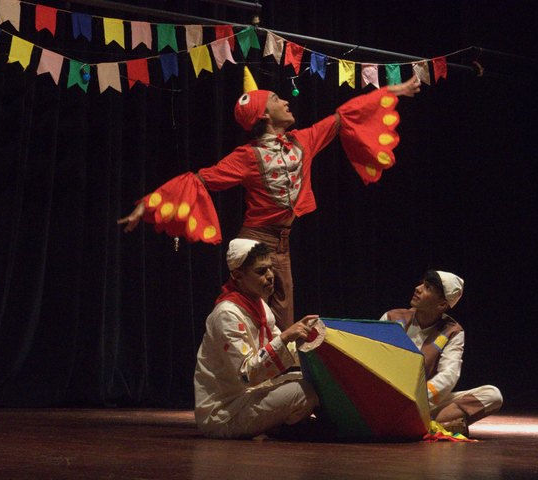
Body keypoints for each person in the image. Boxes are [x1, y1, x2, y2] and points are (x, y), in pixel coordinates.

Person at [118, 71, 421, 331]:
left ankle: (277, 383)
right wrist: (148, 205)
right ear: (263, 114)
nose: (287, 102)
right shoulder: (247, 157)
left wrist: (396, 90)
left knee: (284, 316)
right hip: (254, 241)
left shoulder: (303, 141)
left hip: (282, 244)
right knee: (250, 312)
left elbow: (345, 117)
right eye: (277, 99)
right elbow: (200, 179)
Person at [194, 238, 320, 439]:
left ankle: (278, 425)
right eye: (261, 271)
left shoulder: (260, 307)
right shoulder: (226, 314)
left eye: (270, 269)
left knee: (313, 382)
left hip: (248, 398)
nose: (270, 276)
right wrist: (287, 336)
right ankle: (281, 426)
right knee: (302, 391)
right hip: (225, 413)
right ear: (237, 276)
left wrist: (316, 349)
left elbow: (282, 352)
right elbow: (247, 375)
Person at [380, 270, 503, 435]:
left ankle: (428, 424)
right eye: (422, 283)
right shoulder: (393, 318)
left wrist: (420, 399)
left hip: (424, 401)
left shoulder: (452, 332)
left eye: (428, 287)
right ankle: (427, 424)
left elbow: (449, 374)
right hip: (387, 396)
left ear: (442, 305)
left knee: (492, 395)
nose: (418, 288)